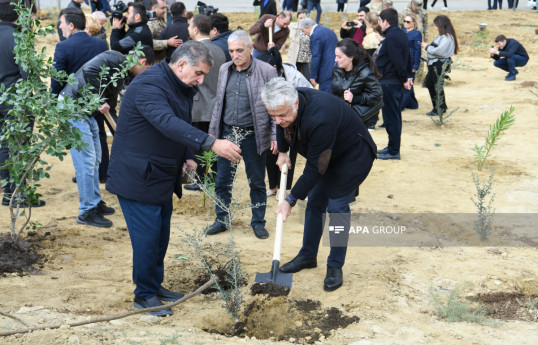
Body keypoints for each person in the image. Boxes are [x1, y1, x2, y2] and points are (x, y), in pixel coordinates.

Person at [106, 41, 242, 316]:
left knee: (159, 237)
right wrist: (211, 143)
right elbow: (166, 121)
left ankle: (154, 287)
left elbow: (181, 124)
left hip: (161, 175)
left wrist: (188, 154)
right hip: (138, 177)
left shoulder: (179, 85)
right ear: (181, 64)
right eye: (199, 73)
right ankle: (144, 296)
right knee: (146, 240)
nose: (201, 80)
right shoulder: (149, 85)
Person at [261, 78, 376, 292]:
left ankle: (335, 266)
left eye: (283, 114)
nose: (277, 120)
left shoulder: (320, 118)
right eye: (272, 115)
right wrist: (284, 150)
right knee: (315, 203)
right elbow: (282, 125)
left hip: (354, 155)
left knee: (336, 206)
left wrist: (290, 200)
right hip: (329, 153)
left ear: (296, 103)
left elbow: (315, 169)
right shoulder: (286, 102)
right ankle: (307, 255)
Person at [60, 48, 154, 227]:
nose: (145, 74)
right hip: (72, 107)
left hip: (86, 111)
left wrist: (121, 131)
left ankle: (94, 202)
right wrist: (96, 99)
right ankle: (87, 211)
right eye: (148, 68)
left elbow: (111, 103)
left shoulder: (123, 71)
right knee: (86, 161)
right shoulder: (114, 58)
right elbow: (90, 70)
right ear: (142, 61)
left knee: (95, 159)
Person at [206, 30, 278, 240]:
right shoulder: (224, 70)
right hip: (228, 134)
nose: (235, 55)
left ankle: (258, 222)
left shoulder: (266, 71)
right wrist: (213, 133)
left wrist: (274, 134)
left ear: (250, 49)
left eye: (239, 50)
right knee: (222, 181)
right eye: (231, 51)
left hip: (254, 135)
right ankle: (221, 219)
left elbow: (275, 105)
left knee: (256, 181)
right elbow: (219, 103)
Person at [0, 0, 45, 207]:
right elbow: (27, 73)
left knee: (3, 144)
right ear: (18, 14)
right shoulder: (18, 37)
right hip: (16, 100)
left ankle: (7, 191)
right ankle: (15, 195)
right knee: (19, 146)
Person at [257, 47, 311, 199]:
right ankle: (273, 185)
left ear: (273, 68)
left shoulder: (292, 76)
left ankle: (283, 187)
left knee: (289, 153)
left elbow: (308, 94)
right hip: (272, 119)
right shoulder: (261, 78)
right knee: (271, 153)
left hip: (293, 119)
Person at [183, 14, 226, 191]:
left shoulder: (191, 50)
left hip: (199, 105)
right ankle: (212, 180)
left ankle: (200, 181)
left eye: (189, 26)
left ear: (195, 29)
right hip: (217, 105)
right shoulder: (219, 50)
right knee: (215, 146)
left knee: (198, 146)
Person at [375, 8, 412, 160]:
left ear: (385, 22)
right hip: (392, 81)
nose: (380, 25)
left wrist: (405, 79)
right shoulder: (400, 34)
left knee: (392, 117)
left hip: (391, 82)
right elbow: (407, 57)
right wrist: (408, 76)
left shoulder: (391, 38)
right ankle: (391, 147)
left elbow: (398, 61)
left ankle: (393, 151)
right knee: (391, 116)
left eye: (380, 22)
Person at [51, 7, 108, 95]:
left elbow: (57, 79)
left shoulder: (62, 46)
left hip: (71, 100)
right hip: (95, 99)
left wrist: (53, 99)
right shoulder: (102, 44)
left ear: (71, 26)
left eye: (61, 23)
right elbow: (106, 74)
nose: (60, 26)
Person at [332, 38, 383, 134]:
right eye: (335, 56)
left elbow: (377, 96)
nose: (336, 60)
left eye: (339, 57)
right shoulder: (337, 68)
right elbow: (334, 91)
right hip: (338, 117)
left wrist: (355, 98)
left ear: (351, 57)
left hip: (357, 120)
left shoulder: (365, 73)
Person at [421, 15, 458, 115]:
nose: (435, 27)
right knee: (432, 84)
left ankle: (439, 109)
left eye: (436, 25)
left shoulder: (446, 37)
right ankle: (441, 106)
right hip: (436, 64)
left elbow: (439, 51)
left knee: (436, 86)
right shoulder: (444, 36)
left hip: (438, 65)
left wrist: (427, 47)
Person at [299, 17, 338, 93]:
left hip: (326, 70)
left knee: (326, 95)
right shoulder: (328, 31)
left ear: (307, 28)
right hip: (337, 67)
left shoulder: (315, 35)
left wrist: (313, 76)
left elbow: (316, 56)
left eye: (303, 31)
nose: (305, 34)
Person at [400, 13, 422, 111]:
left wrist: (415, 66)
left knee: (408, 85)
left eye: (408, 22)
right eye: (404, 21)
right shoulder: (403, 31)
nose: (406, 23)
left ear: (413, 23)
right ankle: (413, 104)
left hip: (411, 62)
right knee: (407, 83)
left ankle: (400, 107)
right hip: (402, 61)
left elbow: (418, 51)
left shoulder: (417, 33)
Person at [287, 9, 311, 81]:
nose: (302, 20)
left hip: (306, 58)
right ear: (297, 19)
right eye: (300, 18)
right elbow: (291, 35)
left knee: (307, 78)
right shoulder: (293, 26)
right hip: (296, 57)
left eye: (304, 18)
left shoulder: (310, 28)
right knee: (296, 78)